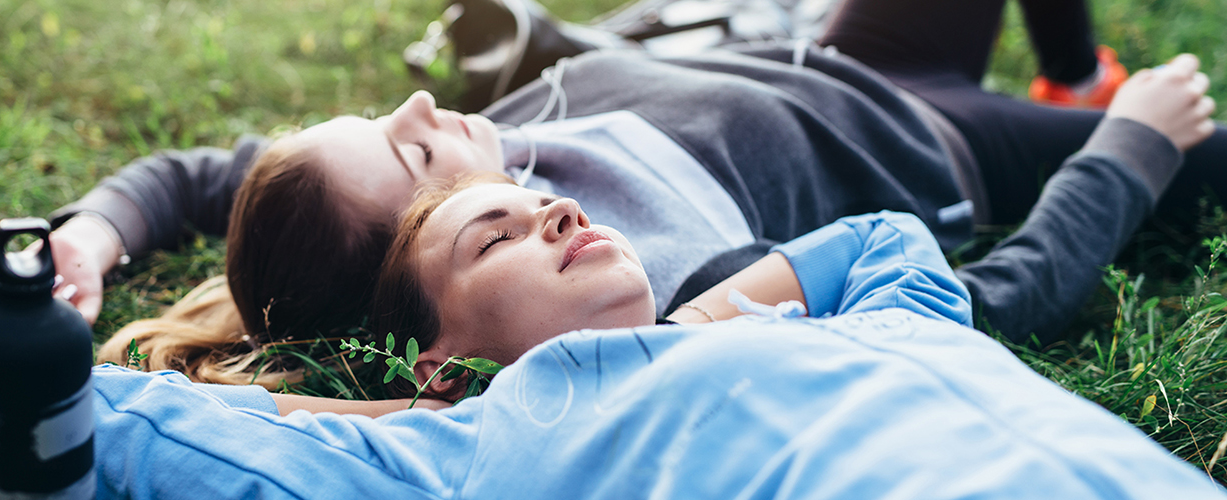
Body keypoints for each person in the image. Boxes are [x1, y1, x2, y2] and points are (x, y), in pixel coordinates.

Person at [66, 0, 1221, 383]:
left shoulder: (487, 148)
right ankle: (1085, 105)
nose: (415, 113)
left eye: (383, 118)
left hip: (831, 46)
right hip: (939, 133)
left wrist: (92, 228)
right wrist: (1122, 151)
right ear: (417, 250)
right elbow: (978, 299)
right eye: (409, 156)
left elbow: (195, 175)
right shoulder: (620, 275)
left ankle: (1076, 70)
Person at [86, 175, 1226, 498]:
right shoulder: (489, 449)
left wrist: (692, 323)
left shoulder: (884, 309)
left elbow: (882, 236)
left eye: (545, 202)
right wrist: (424, 410)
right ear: (443, 357)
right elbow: (123, 417)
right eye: (496, 237)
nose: (559, 210)